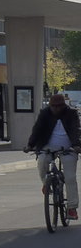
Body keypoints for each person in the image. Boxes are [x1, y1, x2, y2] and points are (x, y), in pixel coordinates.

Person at [26, 92, 81, 220]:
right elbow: (37, 129)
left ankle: (72, 208)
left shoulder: (71, 114)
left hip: (68, 148)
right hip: (48, 147)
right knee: (42, 163)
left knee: (70, 177)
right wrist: (30, 145)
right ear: (50, 106)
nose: (56, 108)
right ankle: (46, 183)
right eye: (53, 106)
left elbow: (75, 129)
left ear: (64, 106)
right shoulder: (44, 113)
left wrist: (77, 145)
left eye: (59, 106)